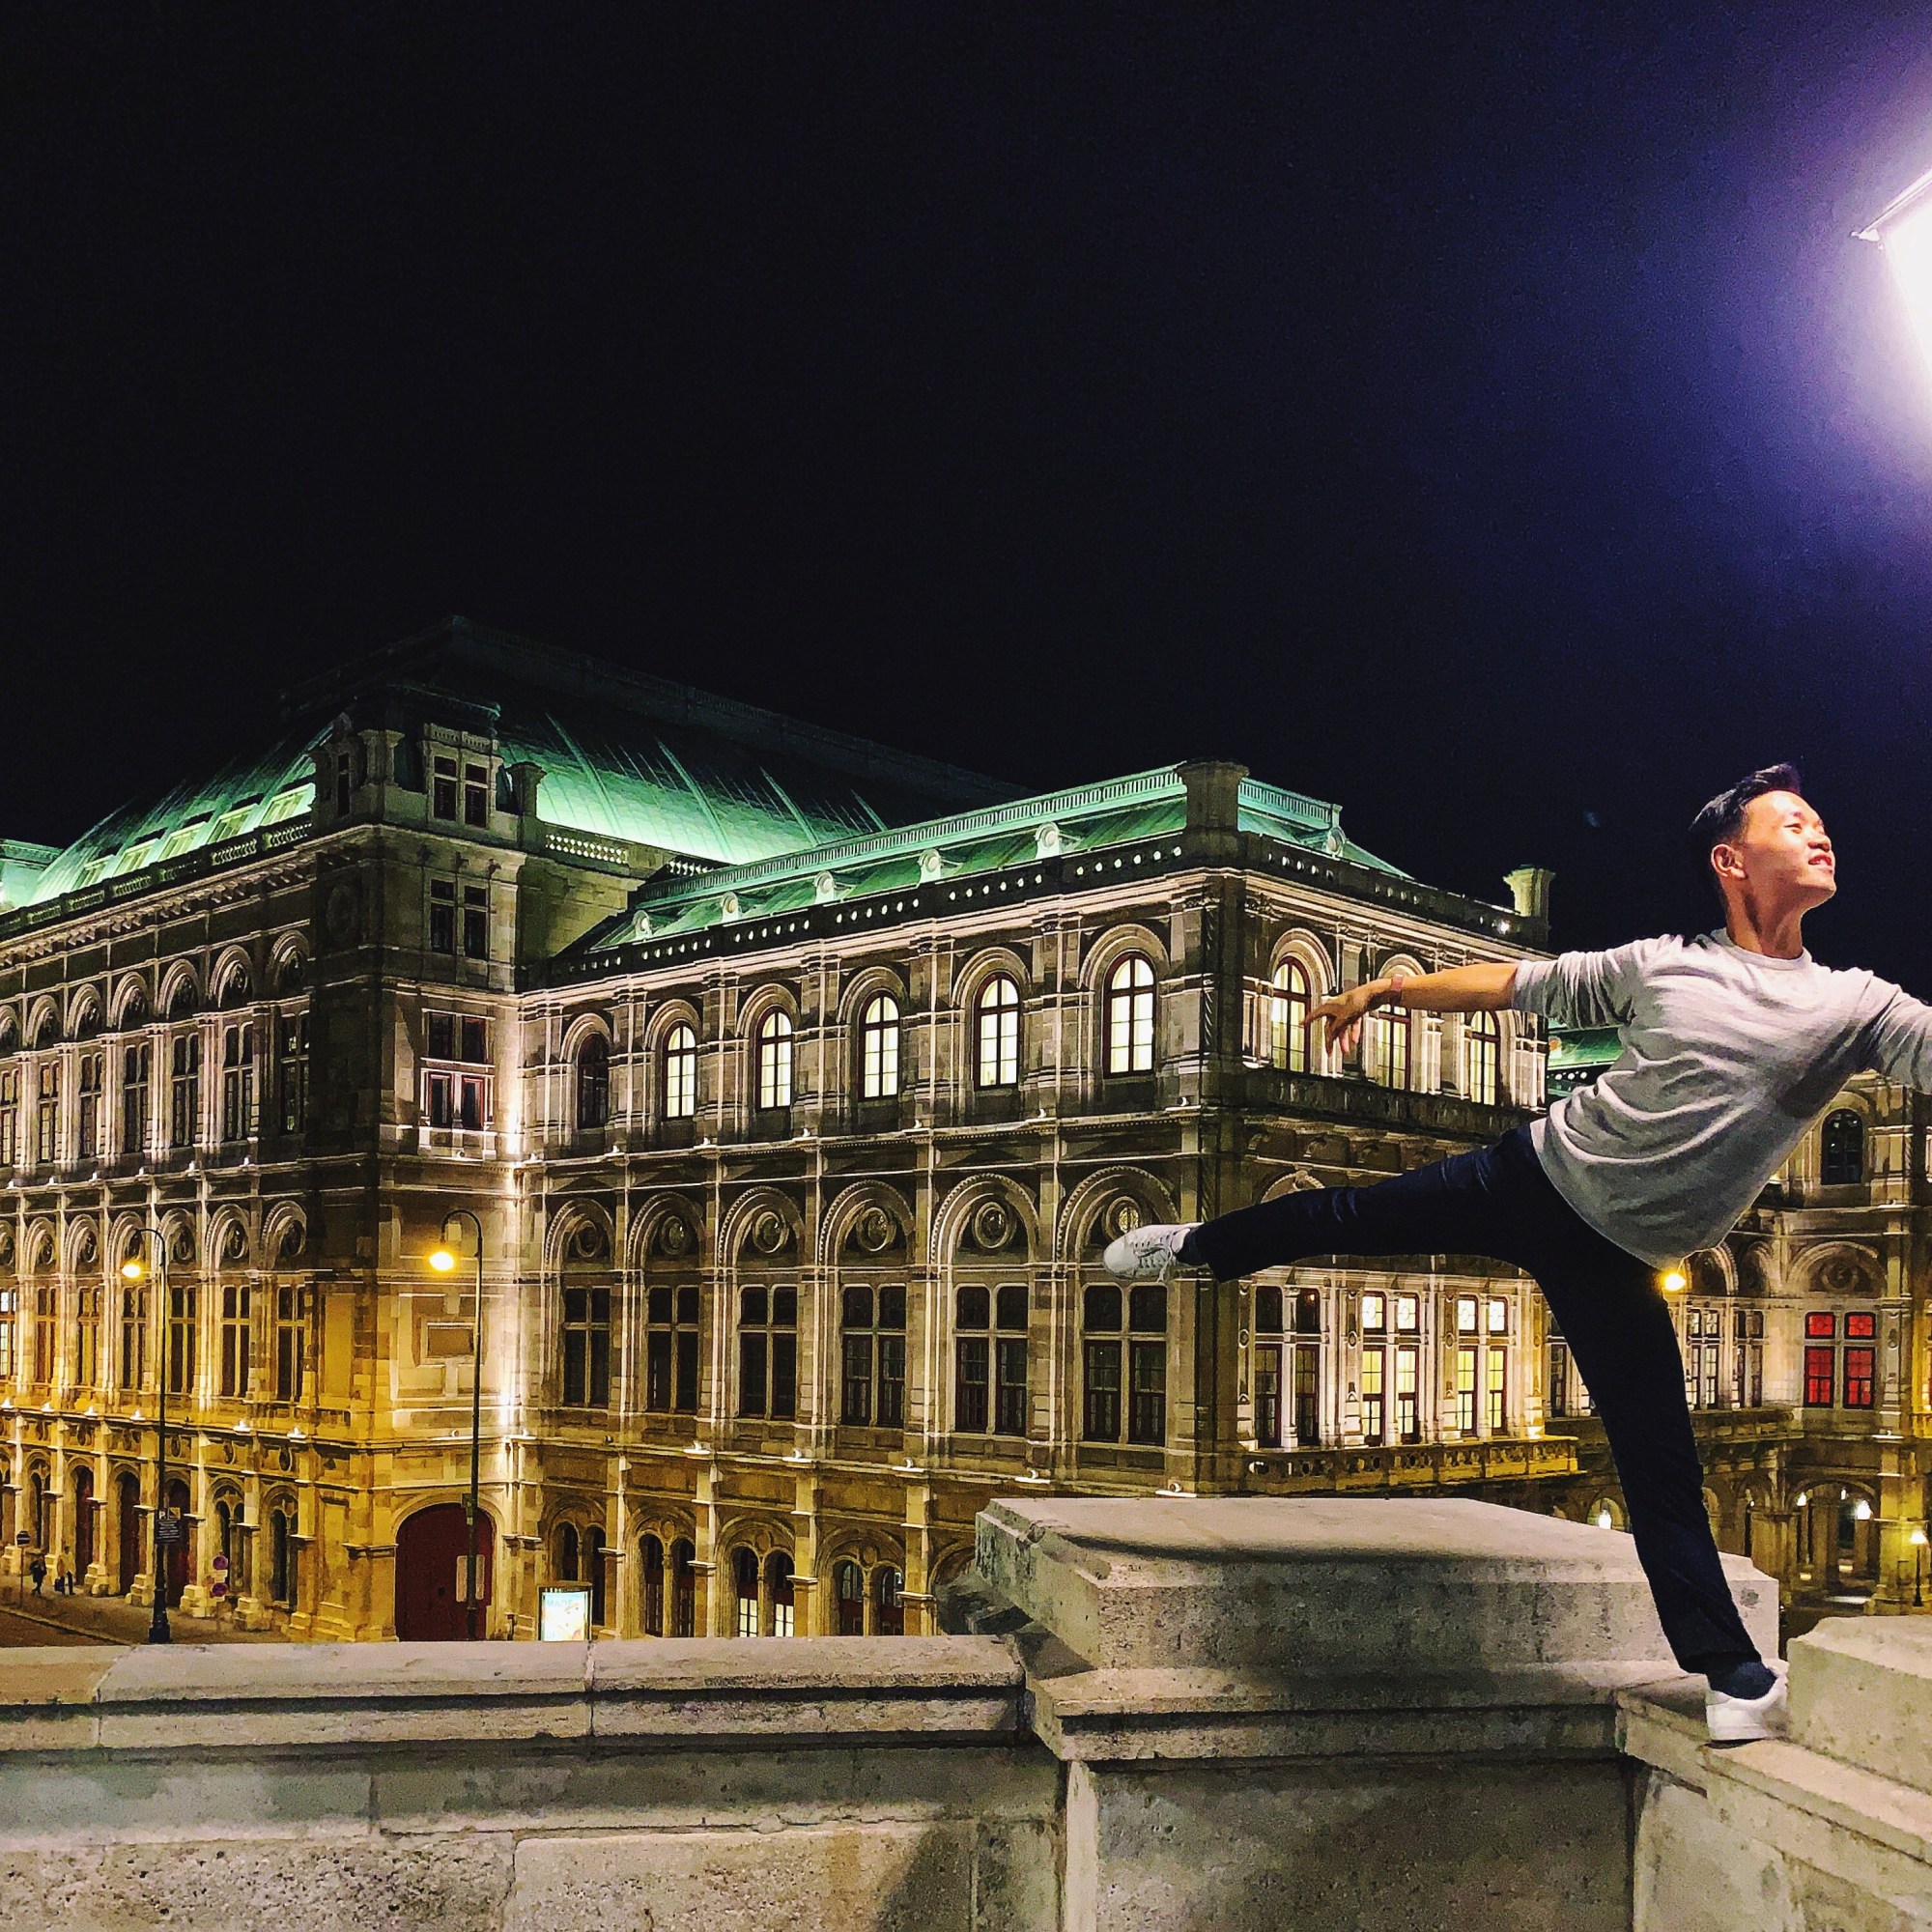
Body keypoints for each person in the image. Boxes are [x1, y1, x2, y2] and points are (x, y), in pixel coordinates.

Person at [1106, 764, 1929, 1744]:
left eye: (1818, 822)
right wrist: (1388, 987)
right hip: (1532, 1174)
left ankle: (1733, 1677)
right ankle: (1195, 1246)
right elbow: (1511, 983)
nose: (1819, 834)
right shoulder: (1659, 964)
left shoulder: (1854, 1005)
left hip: (1617, 1258)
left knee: (1659, 1467)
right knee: (1347, 1216)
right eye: (1792, 822)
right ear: (1729, 859)